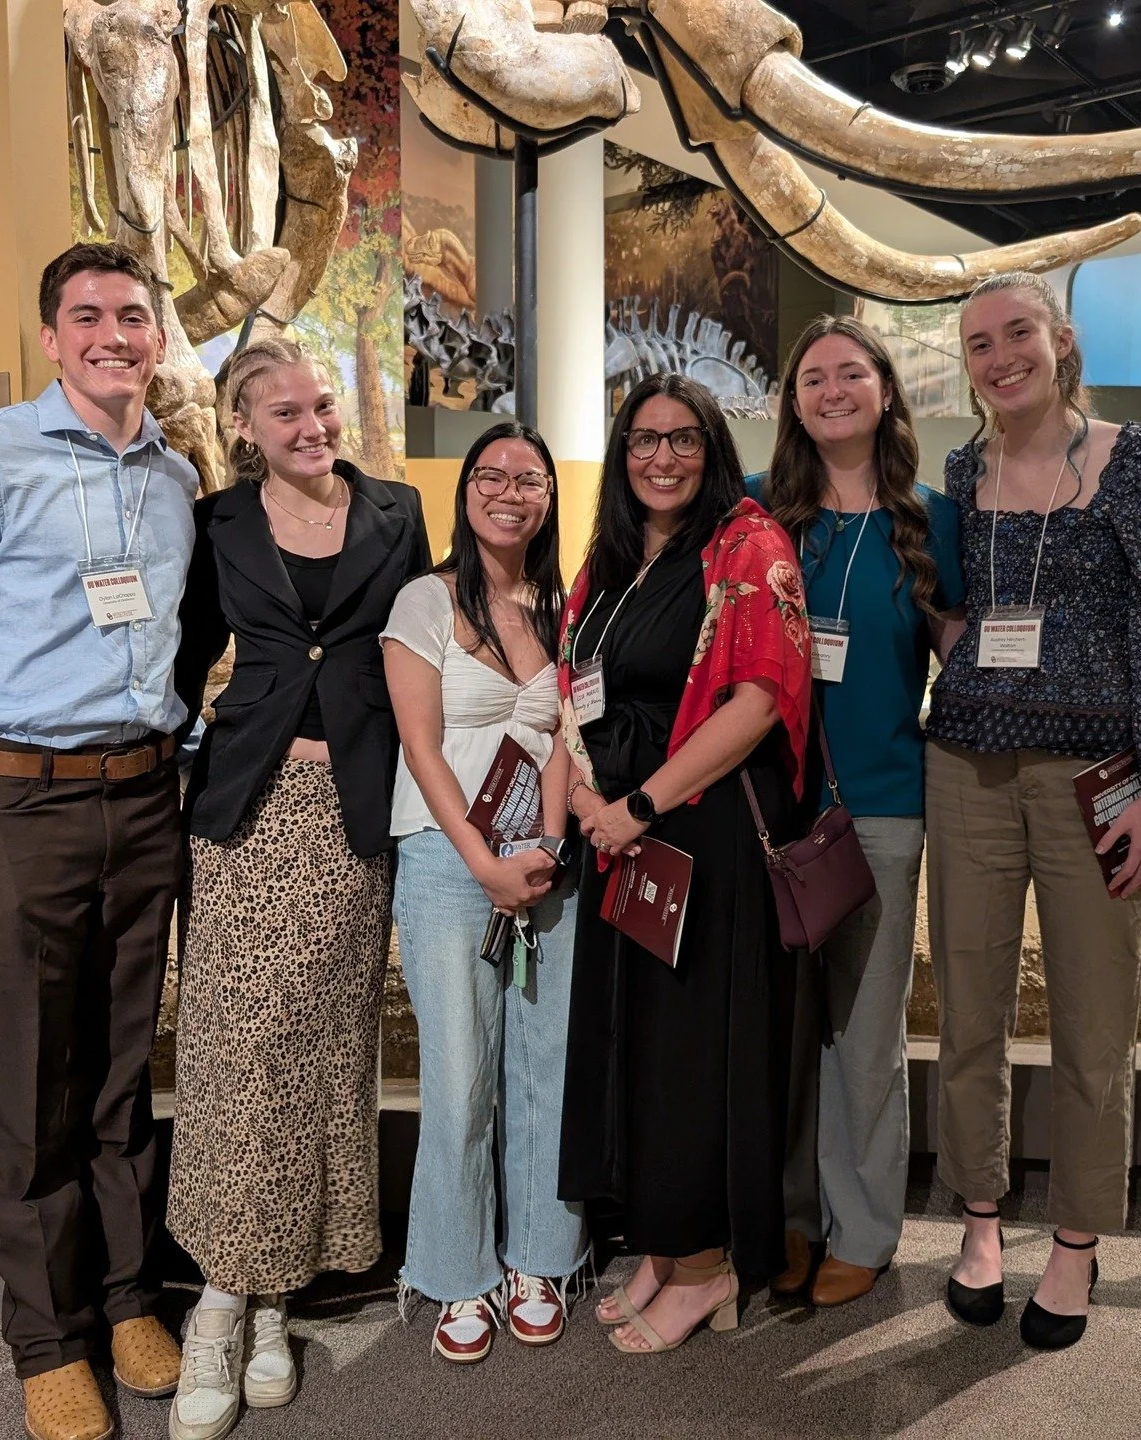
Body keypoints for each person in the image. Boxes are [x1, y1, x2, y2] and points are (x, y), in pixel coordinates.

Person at [0, 242, 196, 1440]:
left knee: (122, 1078)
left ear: (155, 337)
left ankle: (126, 1300)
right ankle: (43, 1337)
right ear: (54, 338)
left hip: (143, 800)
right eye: (87, 316)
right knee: (28, 1086)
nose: (114, 334)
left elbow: (164, 649)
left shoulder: (173, 473)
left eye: (132, 314)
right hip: (15, 806)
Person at [926, 272, 1141, 1351]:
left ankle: (1078, 1242)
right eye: (980, 344)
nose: (1000, 358)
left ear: (1061, 340)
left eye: (1018, 335)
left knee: (1095, 1022)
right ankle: (983, 1221)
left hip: (1101, 778)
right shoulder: (964, 467)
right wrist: (956, 653)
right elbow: (957, 605)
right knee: (969, 1013)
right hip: (969, 769)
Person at [165, 337, 428, 1438]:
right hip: (246, 814)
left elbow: (428, 643)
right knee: (235, 1050)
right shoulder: (216, 522)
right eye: (286, 414)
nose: (314, 425)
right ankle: (222, 1307)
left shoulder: (400, 510)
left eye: (321, 405)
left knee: (322, 1051)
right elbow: (183, 660)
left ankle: (273, 1297)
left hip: (357, 818)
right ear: (243, 429)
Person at [558, 374, 811, 1355]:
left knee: (696, 1062)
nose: (661, 458)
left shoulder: (748, 545)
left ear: (712, 448)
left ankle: (707, 1269)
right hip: (620, 833)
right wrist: (586, 802)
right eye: (642, 441)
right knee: (644, 1054)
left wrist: (639, 806)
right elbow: (573, 686)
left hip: (697, 837)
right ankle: (664, 1246)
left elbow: (758, 703)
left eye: (682, 440)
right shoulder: (614, 558)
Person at [748, 316, 965, 1308]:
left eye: (851, 373)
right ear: (791, 402)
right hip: (769, 815)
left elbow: (963, 669)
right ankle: (786, 1216)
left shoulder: (932, 520)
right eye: (812, 378)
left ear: (885, 389)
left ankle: (864, 1226)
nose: (831, 390)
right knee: (779, 1030)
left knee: (863, 1031)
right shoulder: (759, 514)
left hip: (881, 809)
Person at [382, 422, 586, 1364]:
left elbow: (556, 737)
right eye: (493, 474)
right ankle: (457, 1272)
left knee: (544, 1069)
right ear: (466, 490)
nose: (512, 490)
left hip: (543, 864)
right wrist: (484, 862)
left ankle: (539, 1258)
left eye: (531, 478)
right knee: (461, 1082)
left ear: (549, 496)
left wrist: (543, 849)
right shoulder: (424, 601)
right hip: (446, 862)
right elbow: (422, 751)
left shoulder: (560, 605)